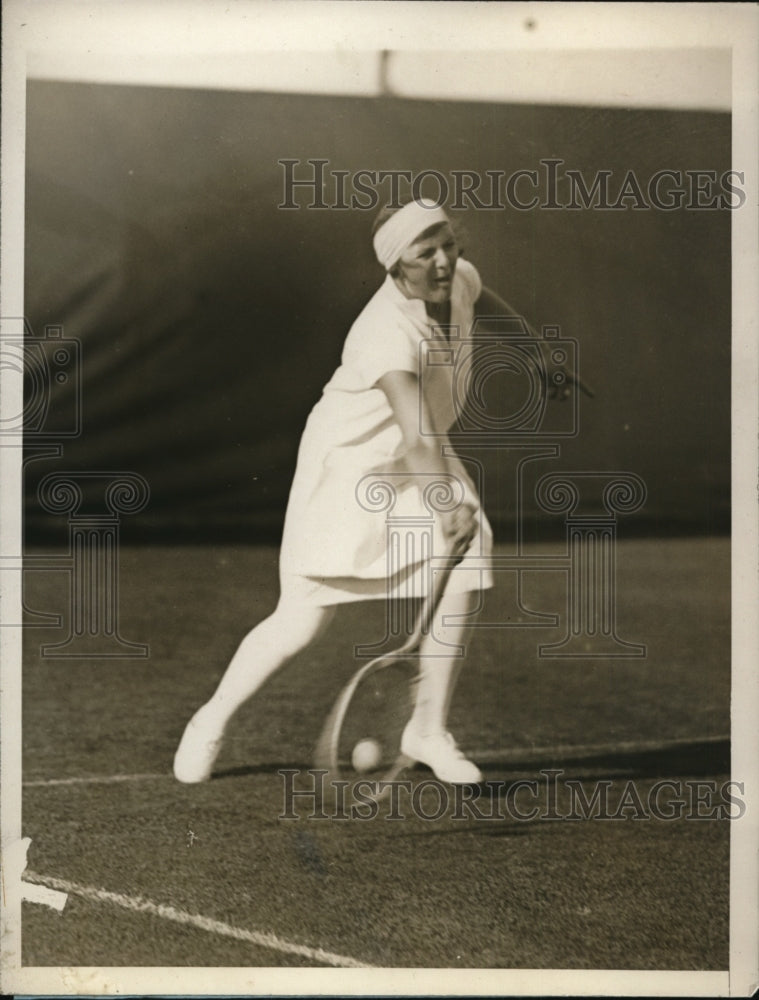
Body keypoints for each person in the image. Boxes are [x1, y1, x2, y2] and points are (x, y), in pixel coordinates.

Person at [174, 197, 506, 786]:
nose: (443, 261)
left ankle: (427, 729)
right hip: (352, 470)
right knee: (302, 618)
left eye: (449, 244)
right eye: (424, 252)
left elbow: (483, 296)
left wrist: (538, 349)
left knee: (467, 567)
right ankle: (211, 718)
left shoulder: (459, 278)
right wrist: (445, 503)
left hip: (419, 453)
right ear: (394, 264)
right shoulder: (381, 332)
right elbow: (418, 433)